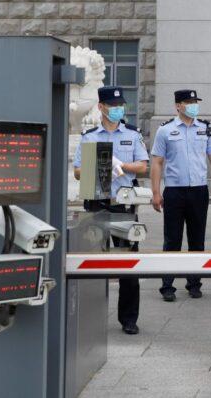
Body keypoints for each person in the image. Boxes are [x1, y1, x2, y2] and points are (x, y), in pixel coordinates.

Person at [73, 85, 149, 334]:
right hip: (96, 203)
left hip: (123, 204)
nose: (118, 109)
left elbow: (142, 167)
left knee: (127, 264)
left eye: (120, 106)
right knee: (92, 265)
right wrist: (101, 164)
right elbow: (77, 172)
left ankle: (128, 319)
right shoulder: (90, 136)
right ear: (101, 107)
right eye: (113, 106)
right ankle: (89, 318)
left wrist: (123, 165)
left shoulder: (132, 134)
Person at [150, 89, 211, 302]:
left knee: (197, 240)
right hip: (174, 191)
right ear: (178, 106)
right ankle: (167, 285)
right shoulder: (165, 130)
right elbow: (157, 162)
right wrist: (156, 193)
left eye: (195, 101)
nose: (193, 105)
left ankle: (194, 283)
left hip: (198, 191)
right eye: (189, 102)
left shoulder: (205, 128)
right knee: (172, 240)